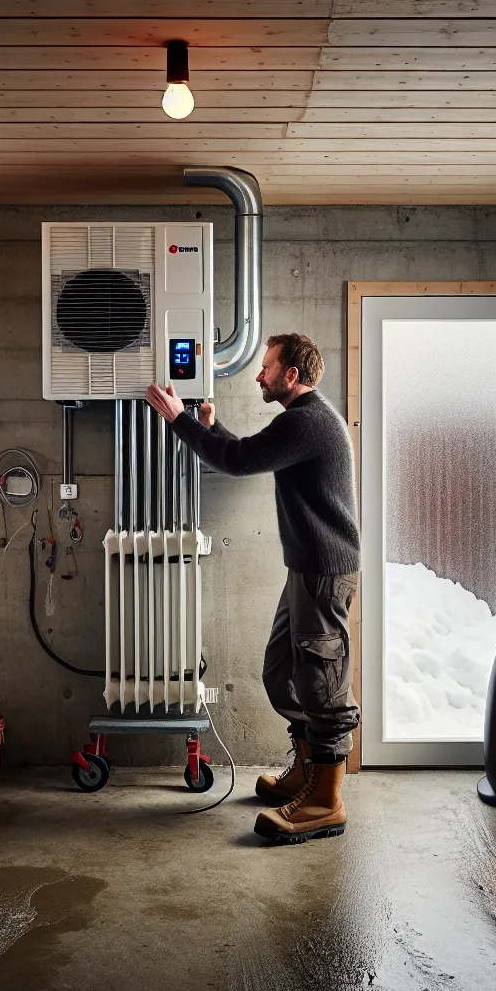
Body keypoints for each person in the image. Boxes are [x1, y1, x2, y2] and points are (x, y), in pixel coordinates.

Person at [144, 333, 360, 844]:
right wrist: (210, 431)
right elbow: (248, 452)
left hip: (323, 572)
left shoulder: (307, 421)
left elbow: (239, 461)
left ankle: (325, 800)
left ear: (292, 375)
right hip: (307, 568)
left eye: (267, 367)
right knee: (281, 670)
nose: (259, 375)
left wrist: (178, 421)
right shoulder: (304, 421)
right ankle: (307, 767)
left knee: (322, 682)